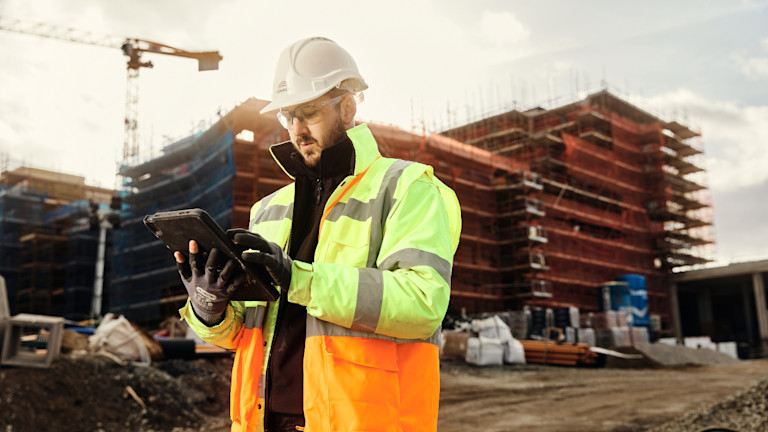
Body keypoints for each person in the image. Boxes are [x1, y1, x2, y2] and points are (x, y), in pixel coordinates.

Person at [174, 36, 461, 432]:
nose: (297, 129)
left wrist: (299, 279)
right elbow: (244, 334)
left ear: (347, 107)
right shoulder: (269, 208)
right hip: (262, 421)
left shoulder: (407, 187)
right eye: (287, 117)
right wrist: (211, 306)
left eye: (308, 112)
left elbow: (423, 304)